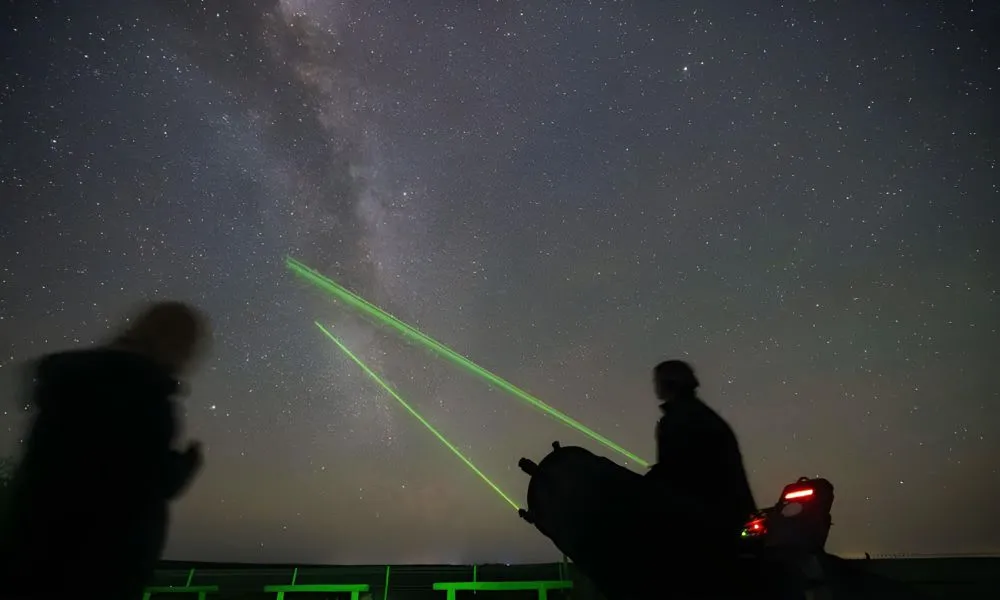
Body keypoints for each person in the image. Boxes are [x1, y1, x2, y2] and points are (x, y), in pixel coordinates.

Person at [0, 301, 209, 600]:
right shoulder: (144, 391)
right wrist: (185, 465)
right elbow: (142, 480)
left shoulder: (71, 381)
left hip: (32, 553)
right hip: (96, 566)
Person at [646, 360, 757, 549]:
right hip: (728, 515)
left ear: (668, 382)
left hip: (707, 518)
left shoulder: (681, 418)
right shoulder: (701, 415)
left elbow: (677, 469)